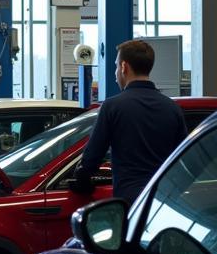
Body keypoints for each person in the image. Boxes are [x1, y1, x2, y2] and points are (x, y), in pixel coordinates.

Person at [73, 39, 188, 204]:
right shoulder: (172, 108)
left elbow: (92, 156)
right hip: (164, 202)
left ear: (123, 67)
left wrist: (82, 181)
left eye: (115, 66)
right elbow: (183, 158)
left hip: (129, 200)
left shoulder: (112, 107)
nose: (115, 74)